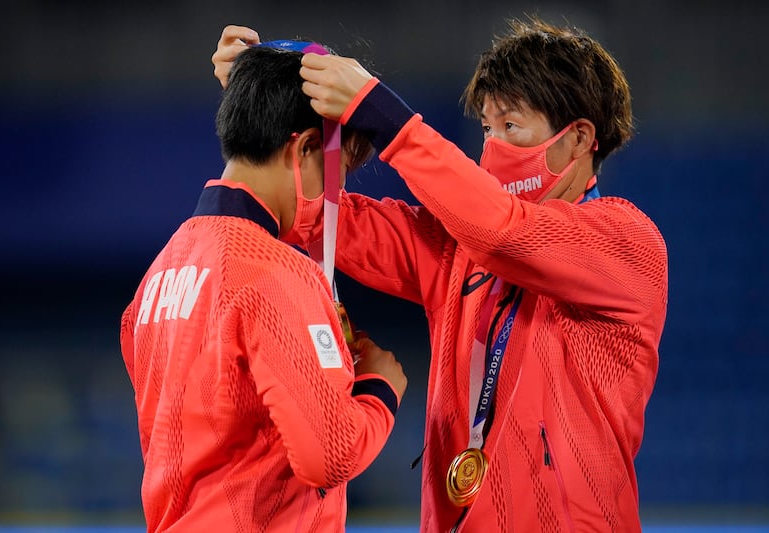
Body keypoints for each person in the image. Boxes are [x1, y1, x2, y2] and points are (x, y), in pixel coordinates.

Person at [213, 16, 668, 531]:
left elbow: (507, 233)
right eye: (487, 129)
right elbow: (321, 217)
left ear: (580, 138)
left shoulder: (627, 242)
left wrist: (383, 115)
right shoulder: (457, 248)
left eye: (512, 126)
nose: (492, 147)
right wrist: (267, 109)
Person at [120, 42, 407, 533]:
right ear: (307, 149)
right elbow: (328, 456)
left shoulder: (157, 276)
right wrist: (380, 391)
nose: (333, 199)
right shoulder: (277, 273)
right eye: (336, 176)